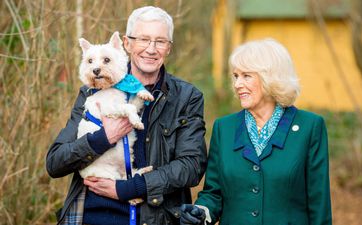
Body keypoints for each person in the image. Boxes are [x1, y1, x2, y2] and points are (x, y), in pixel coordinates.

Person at [46, 6, 207, 225]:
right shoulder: (92, 91)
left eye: (160, 41)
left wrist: (127, 188)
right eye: (143, 39)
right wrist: (103, 138)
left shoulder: (186, 97)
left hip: (154, 218)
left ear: (168, 48)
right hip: (90, 216)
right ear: (127, 43)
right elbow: (55, 162)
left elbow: (191, 166)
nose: (151, 49)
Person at [180, 38, 332, 225]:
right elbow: (214, 192)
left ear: (271, 78)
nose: (237, 84)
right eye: (236, 76)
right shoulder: (224, 128)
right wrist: (201, 211)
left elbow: (319, 203)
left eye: (246, 76)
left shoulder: (310, 127)